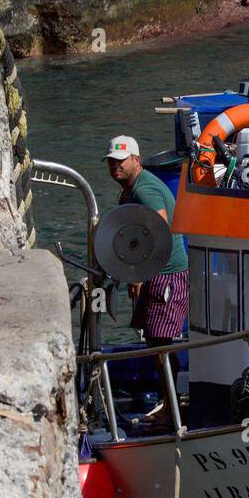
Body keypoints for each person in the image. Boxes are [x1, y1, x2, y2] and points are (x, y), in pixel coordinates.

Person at [104, 135, 188, 423]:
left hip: (166, 275)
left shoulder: (145, 190)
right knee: (155, 341)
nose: (115, 166)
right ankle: (169, 404)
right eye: (111, 161)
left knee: (161, 343)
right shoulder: (133, 189)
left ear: (136, 160)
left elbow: (159, 231)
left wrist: (140, 273)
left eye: (121, 161)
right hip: (157, 273)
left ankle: (171, 409)